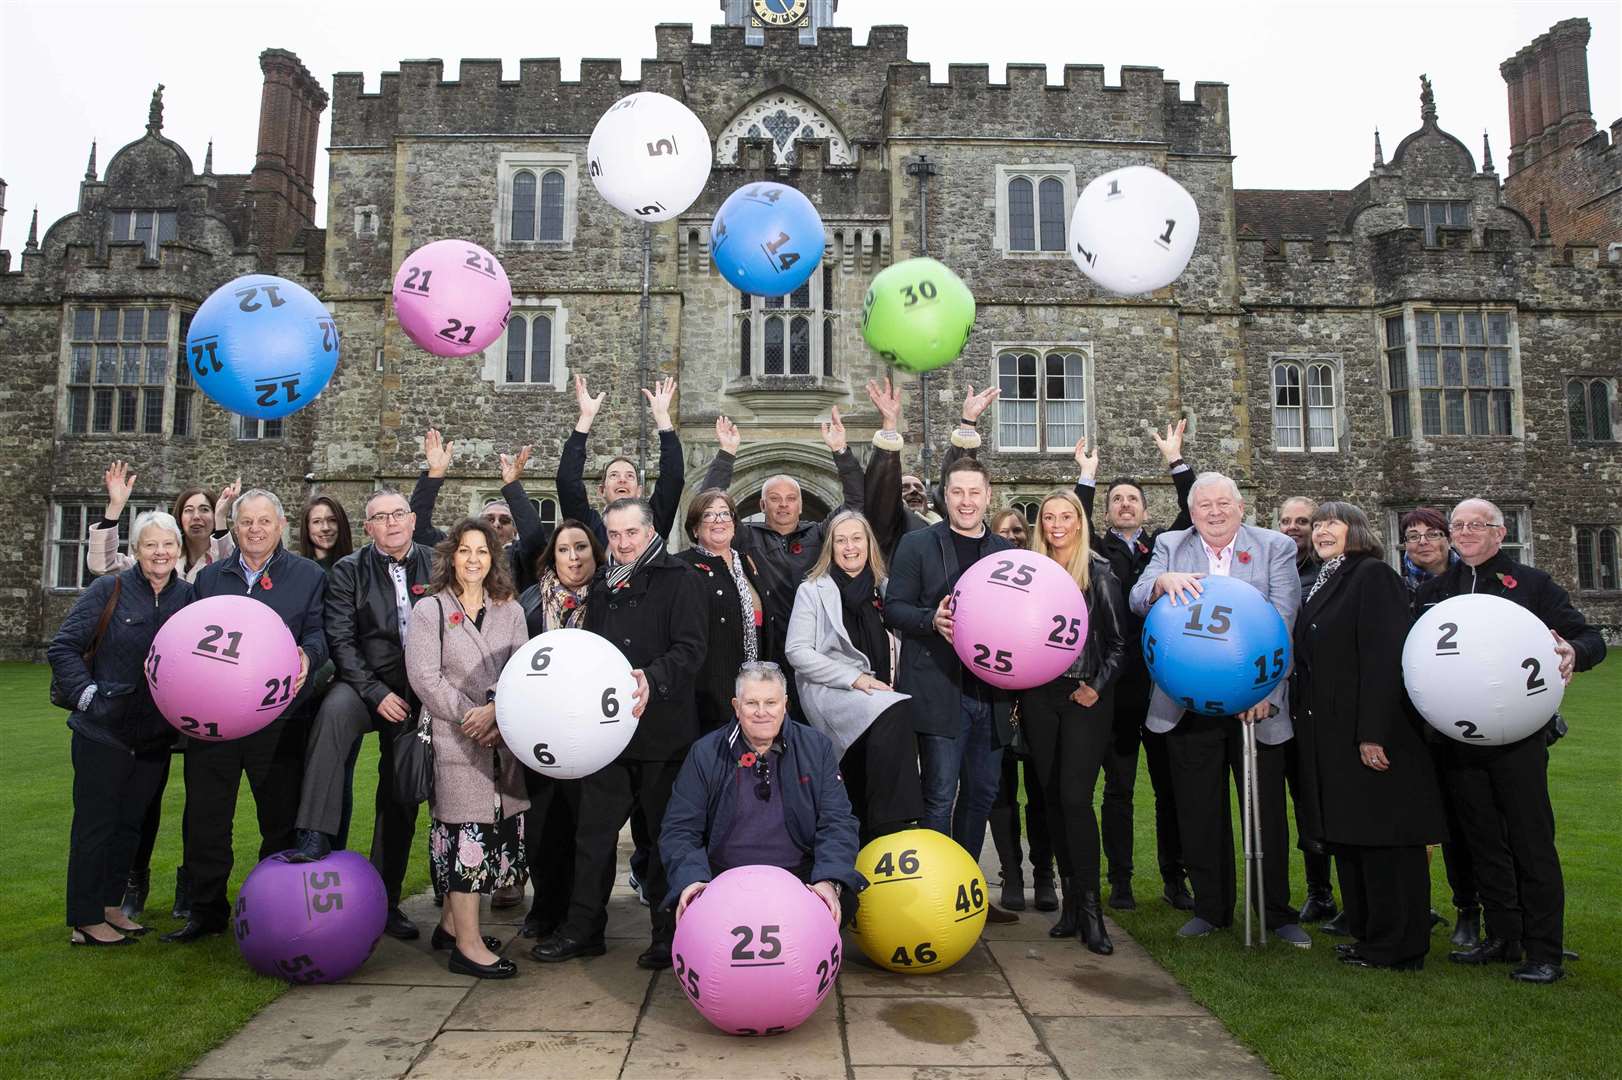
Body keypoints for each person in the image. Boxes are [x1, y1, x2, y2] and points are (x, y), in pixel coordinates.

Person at [1418, 498, 1607, 985]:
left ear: (1500, 533)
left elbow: (1589, 639)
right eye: (1457, 526)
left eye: (1476, 526)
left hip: (1519, 738)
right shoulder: (1436, 590)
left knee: (1530, 843)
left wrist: (1572, 652)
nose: (1464, 533)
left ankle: (1545, 950)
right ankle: (1504, 936)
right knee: (1482, 843)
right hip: (1457, 740)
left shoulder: (1533, 585)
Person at [1128, 472, 1311, 946]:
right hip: (1186, 703)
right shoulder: (1170, 544)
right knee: (1198, 809)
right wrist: (1158, 584)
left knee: (1265, 810)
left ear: (1240, 507)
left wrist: (1267, 695)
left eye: (1223, 504)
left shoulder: (1275, 548)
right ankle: (1211, 908)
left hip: (1255, 705)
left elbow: (1284, 622)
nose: (1214, 512)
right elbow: (1136, 599)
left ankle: (1274, 911)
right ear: (1192, 514)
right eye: (1204, 505)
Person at [531, 498, 707, 971]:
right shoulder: (603, 587)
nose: (623, 543)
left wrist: (653, 677)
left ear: (650, 532)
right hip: (607, 736)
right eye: (614, 534)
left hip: (663, 737)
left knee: (662, 842)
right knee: (593, 838)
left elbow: (692, 650)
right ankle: (584, 929)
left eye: (631, 533)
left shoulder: (681, 581)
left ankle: (667, 934)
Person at [164, 490, 327, 943]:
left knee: (278, 818)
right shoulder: (211, 577)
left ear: (280, 526)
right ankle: (206, 910)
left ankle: (273, 906)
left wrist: (309, 657)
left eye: (264, 522)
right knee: (205, 819)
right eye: (246, 522)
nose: (255, 530)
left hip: (278, 719)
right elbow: (185, 636)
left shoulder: (308, 575)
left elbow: (319, 633)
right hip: (213, 721)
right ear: (234, 527)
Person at [1291, 502, 1446, 970]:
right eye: (1316, 525)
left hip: (1371, 731)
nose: (1320, 531)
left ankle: (1400, 945)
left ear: (1356, 529)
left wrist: (1372, 734)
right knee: (1353, 838)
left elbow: (1383, 659)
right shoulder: (1326, 579)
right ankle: (1367, 933)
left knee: (1387, 842)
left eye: (1330, 524)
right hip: (1332, 731)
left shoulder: (1372, 576)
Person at [92, 462, 239, 923]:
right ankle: (134, 879)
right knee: (145, 796)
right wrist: (115, 509)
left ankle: (190, 882)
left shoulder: (219, 565)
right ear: (177, 520)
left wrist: (226, 516)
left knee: (203, 798)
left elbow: (234, 560)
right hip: (151, 697)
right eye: (189, 510)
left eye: (205, 509)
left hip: (203, 697)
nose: (197, 516)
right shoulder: (159, 561)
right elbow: (101, 564)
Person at [289, 488, 433, 942]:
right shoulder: (348, 571)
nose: (390, 523)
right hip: (364, 684)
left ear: (412, 521)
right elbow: (341, 641)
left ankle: (387, 900)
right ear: (367, 528)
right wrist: (374, 692)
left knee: (400, 788)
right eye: (379, 517)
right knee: (332, 713)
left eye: (398, 514)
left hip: (420, 691)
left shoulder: (438, 563)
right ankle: (314, 834)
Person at [49, 510, 194, 945]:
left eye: (168, 544)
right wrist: (88, 696)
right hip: (103, 731)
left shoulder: (186, 598)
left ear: (179, 550)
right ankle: (85, 919)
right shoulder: (108, 588)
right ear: (136, 551)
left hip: (153, 736)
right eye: (150, 544)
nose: (160, 552)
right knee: (96, 825)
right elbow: (64, 647)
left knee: (130, 824)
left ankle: (111, 906)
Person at [884, 457, 1017, 916]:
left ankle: (967, 893)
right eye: (957, 492)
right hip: (940, 690)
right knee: (939, 795)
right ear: (945, 494)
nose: (966, 501)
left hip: (991, 695)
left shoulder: (1006, 552)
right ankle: (933, 897)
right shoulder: (917, 544)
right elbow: (893, 608)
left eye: (974, 492)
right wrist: (930, 619)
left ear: (987, 495)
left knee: (981, 794)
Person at [1077, 423, 1195, 913]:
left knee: (1170, 793)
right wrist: (1087, 476)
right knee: (1119, 791)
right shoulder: (1096, 550)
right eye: (1117, 499)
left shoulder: (1165, 548)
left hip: (1165, 684)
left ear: (1147, 510)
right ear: (1107, 510)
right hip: (1116, 690)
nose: (1125, 504)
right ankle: (1120, 881)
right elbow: (1071, 520)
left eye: (1133, 500)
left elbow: (1195, 510)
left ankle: (1175, 879)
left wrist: (1176, 461)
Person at [405, 518, 530, 979]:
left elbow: (522, 667)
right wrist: (469, 716)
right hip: (454, 738)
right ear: (450, 557)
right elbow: (424, 676)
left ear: (494, 558)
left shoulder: (510, 610)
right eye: (464, 550)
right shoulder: (430, 610)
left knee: (494, 835)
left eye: (482, 551)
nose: (473, 559)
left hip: (502, 736)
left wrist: (496, 708)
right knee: (466, 839)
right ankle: (469, 946)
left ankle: (448, 927)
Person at [662, 662, 866, 925]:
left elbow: (838, 822)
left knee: (844, 903)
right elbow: (680, 828)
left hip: (797, 878)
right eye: (751, 703)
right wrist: (692, 881)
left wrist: (828, 881)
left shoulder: (817, 748)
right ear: (736, 707)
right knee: (685, 911)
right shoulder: (705, 753)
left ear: (785, 705)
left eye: (771, 703)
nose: (762, 713)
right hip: (724, 880)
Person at [1018, 490, 1128, 954]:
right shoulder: (1030, 575)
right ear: (1040, 524)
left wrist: (1097, 686)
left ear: (1080, 523)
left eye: (1066, 516)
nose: (1057, 524)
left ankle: (1091, 910)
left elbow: (1121, 644)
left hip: (1085, 697)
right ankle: (1068, 905)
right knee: (1050, 800)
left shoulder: (1100, 574)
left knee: (1075, 799)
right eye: (1049, 517)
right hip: (1041, 697)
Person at [784, 509, 924, 843]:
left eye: (857, 539)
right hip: (834, 692)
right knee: (896, 710)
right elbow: (798, 651)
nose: (850, 547)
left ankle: (870, 840)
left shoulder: (884, 589)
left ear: (869, 544)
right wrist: (855, 679)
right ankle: (894, 825)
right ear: (830, 547)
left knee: (862, 769)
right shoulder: (813, 590)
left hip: (877, 695)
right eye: (841, 540)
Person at [701, 406, 865, 670]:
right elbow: (709, 504)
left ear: (801, 505)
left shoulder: (820, 534)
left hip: (815, 643)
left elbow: (856, 503)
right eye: (775, 499)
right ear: (762, 506)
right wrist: (726, 454)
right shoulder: (745, 537)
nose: (783, 505)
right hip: (765, 644)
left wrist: (841, 451)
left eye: (791, 499)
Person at [514, 519, 601, 939]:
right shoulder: (530, 602)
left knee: (585, 826)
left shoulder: (610, 600)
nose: (573, 557)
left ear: (593, 553)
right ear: (553, 556)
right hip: (539, 732)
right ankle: (545, 907)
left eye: (581, 547)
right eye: (564, 549)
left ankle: (580, 915)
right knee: (543, 825)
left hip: (592, 732)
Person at [1399, 507, 1478, 948]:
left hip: (1466, 714)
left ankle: (1469, 908)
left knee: (1464, 822)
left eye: (1432, 534)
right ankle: (1418, 905)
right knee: (1417, 821)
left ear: (1447, 540)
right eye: (1413, 536)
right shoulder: (1398, 586)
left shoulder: (1469, 585)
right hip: (1416, 719)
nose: (1423, 542)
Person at [1274, 495, 1341, 931]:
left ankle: (1353, 893)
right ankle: (1319, 893)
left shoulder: (1332, 574)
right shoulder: (1281, 572)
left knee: (1332, 801)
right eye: (1288, 521)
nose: (1296, 528)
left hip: (1327, 703)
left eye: (1305, 521)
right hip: (1288, 702)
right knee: (1302, 801)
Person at [984, 508, 1056, 915]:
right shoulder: (985, 584)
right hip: (995, 700)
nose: (1012, 536)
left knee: (1042, 793)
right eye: (1004, 531)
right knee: (1001, 794)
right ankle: (1011, 875)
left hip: (1038, 699)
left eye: (1018, 530)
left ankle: (1044, 874)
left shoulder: (1045, 583)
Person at [862, 378, 996, 561]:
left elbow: (959, 478)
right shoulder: (891, 526)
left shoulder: (945, 519)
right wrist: (889, 426)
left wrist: (968, 421)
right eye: (905, 488)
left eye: (919, 487)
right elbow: (883, 492)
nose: (914, 491)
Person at [414, 432, 554, 594]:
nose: (496, 524)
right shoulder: (456, 550)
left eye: (505, 520)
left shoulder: (520, 557)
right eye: (489, 519)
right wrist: (434, 475)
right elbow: (418, 530)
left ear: (515, 530)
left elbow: (533, 538)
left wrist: (513, 486)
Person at [676, 489, 768, 729]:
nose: (719, 521)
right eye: (708, 515)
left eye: (725, 514)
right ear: (695, 528)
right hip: (708, 692)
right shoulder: (681, 567)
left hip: (753, 689)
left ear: (735, 524)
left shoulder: (747, 563)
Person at [559, 374, 686, 545]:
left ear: (639, 491)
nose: (622, 479)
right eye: (613, 475)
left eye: (630, 476)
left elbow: (673, 478)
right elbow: (567, 481)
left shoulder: (652, 524)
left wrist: (663, 417)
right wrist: (586, 418)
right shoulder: (588, 527)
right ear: (601, 490)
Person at [300, 495, 355, 572]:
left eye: (332, 520)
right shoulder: (297, 571)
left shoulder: (358, 568)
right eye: (317, 521)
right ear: (307, 527)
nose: (325, 528)